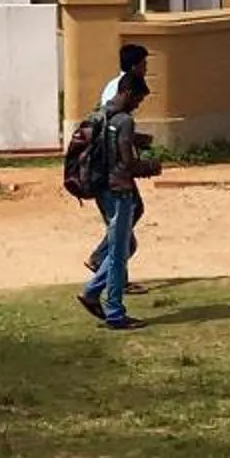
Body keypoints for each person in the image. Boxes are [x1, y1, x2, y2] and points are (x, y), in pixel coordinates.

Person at [75, 73, 160, 330]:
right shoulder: (124, 121)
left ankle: (92, 294)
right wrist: (150, 166)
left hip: (100, 189)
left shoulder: (99, 114)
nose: (137, 105)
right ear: (126, 93)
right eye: (137, 99)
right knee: (118, 251)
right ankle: (113, 311)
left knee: (120, 249)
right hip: (119, 191)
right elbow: (126, 162)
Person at [86, 43, 153, 289]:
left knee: (129, 218)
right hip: (114, 173)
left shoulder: (117, 85)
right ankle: (107, 268)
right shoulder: (123, 88)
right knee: (124, 229)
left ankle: (111, 272)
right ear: (135, 66)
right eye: (144, 64)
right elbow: (113, 129)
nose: (146, 69)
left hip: (114, 169)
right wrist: (141, 165)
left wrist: (138, 139)